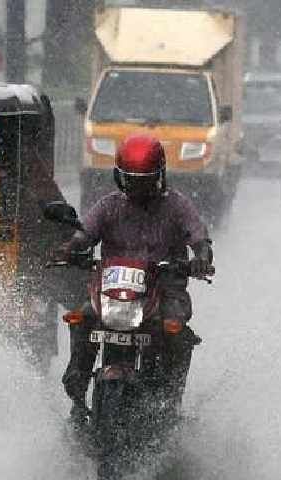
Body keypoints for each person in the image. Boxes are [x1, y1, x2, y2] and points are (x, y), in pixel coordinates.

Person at [54, 134, 214, 427]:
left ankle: (170, 402)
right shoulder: (109, 206)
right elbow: (84, 234)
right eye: (133, 180)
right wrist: (70, 248)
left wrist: (201, 255)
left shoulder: (177, 206)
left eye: (146, 180)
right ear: (120, 177)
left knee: (176, 330)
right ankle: (77, 391)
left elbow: (198, 235)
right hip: (111, 292)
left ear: (160, 176)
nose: (139, 187)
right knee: (82, 318)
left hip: (164, 290)